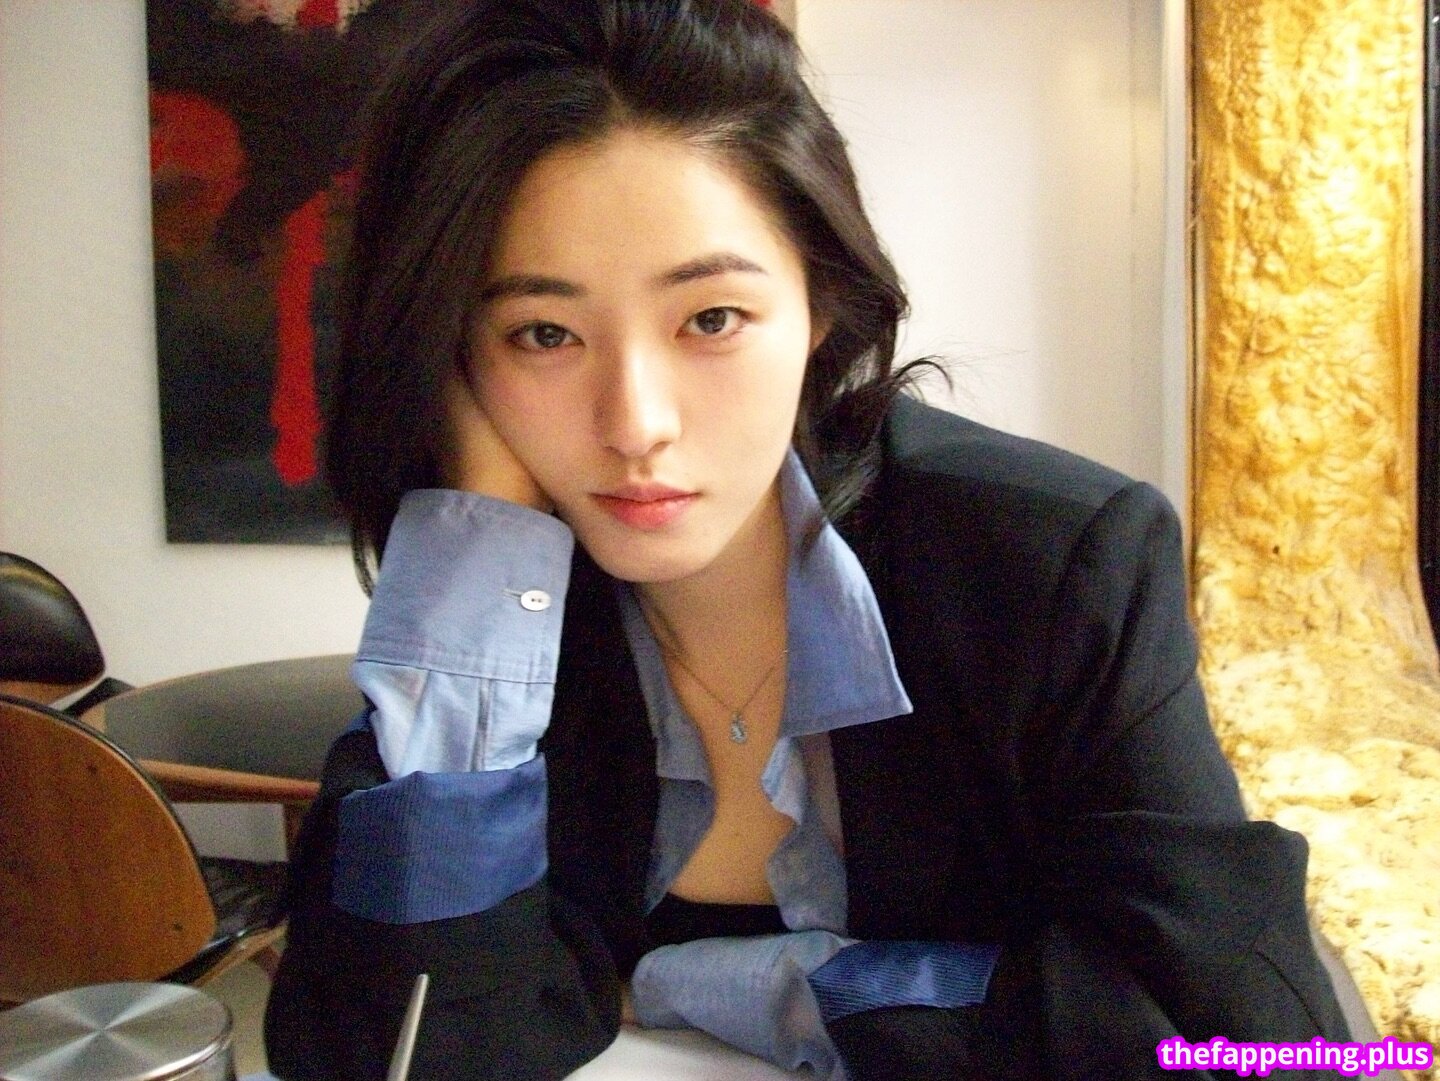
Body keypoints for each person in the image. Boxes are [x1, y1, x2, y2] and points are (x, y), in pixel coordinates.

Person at [265, 1, 1351, 1077]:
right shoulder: (498, 609)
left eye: (711, 319)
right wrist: (478, 563)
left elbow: (1257, 1044)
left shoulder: (1051, 566)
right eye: (543, 334)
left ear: (818, 305)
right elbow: (389, 1050)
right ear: (457, 359)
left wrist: (741, 987)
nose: (635, 421)